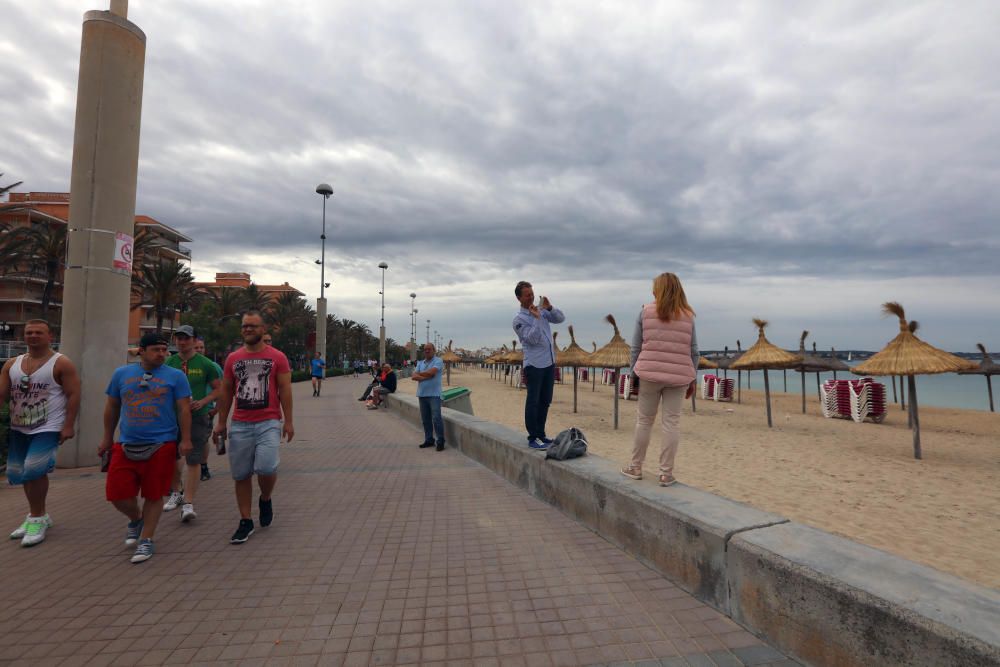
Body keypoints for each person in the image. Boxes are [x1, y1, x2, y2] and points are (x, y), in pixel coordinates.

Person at [100, 332, 192, 563]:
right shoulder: (121, 374)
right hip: (127, 442)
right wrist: (107, 438)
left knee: (153, 494)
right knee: (117, 495)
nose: (162, 354)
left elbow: (183, 409)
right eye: (156, 350)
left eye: (164, 350)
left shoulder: (176, 376)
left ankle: (146, 540)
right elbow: (112, 407)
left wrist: (186, 439)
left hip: (162, 443)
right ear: (141, 351)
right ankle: (136, 518)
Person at [213, 311, 293, 544]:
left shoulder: (278, 357)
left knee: (267, 467)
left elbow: (285, 390)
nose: (247, 329)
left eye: (252, 326)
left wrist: (288, 421)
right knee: (241, 474)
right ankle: (245, 520)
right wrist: (220, 422)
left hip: (268, 421)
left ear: (263, 329)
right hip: (240, 423)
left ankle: (265, 498)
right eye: (244, 326)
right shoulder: (232, 358)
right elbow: (226, 391)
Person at [1, 320, 80, 547]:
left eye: (38, 332)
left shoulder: (61, 363)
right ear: (23, 337)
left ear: (49, 335)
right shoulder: (11, 364)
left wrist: (68, 425)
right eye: (29, 333)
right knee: (23, 472)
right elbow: (2, 394)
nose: (33, 336)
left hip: (47, 426)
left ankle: (37, 518)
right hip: (19, 425)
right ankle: (37, 514)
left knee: (35, 471)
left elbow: (74, 394)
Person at [621, 272, 698, 487]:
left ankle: (636, 467)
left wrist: (633, 374)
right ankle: (666, 474)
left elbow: (636, 347)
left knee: (644, 421)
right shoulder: (688, 315)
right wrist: (693, 379)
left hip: (649, 373)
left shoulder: (645, 312)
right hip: (679, 377)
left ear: (659, 290)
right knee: (671, 423)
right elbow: (694, 352)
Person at [163, 326, 221, 522]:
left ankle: (188, 503)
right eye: (178, 338)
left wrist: (204, 402)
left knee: (193, 459)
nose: (182, 342)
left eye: (186, 338)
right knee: (171, 457)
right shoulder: (169, 363)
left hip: (198, 416)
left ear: (194, 340)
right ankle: (176, 492)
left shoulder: (206, 364)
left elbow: (218, 390)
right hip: (172, 417)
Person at [512, 281, 565, 449]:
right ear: (519, 298)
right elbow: (531, 339)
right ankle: (533, 437)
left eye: (532, 293)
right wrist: (535, 319)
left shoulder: (541, 311)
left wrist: (549, 308)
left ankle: (541, 434)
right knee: (533, 401)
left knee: (545, 401)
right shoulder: (518, 320)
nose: (531, 297)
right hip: (534, 365)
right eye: (527, 295)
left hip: (549, 362)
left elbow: (560, 318)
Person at [194, 337, 222, 481]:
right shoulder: (183, 365)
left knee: (202, 440)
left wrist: (216, 409)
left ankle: (203, 467)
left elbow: (221, 389)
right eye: (196, 347)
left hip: (206, 410)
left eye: (202, 347)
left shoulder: (213, 366)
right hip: (184, 410)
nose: (199, 350)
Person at [411, 344, 445, 451]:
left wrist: (420, 375)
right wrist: (427, 376)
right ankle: (429, 440)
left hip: (434, 395)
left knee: (436, 418)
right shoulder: (420, 363)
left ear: (434, 350)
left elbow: (433, 372)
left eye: (429, 349)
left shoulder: (438, 361)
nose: (427, 351)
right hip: (422, 394)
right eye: (425, 350)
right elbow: (413, 376)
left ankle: (440, 441)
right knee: (425, 420)